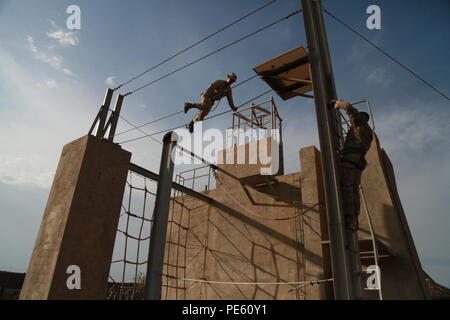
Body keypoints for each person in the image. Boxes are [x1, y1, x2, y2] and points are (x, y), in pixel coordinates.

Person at [332, 99, 373, 231]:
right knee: (355, 189)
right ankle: (355, 215)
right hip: (359, 161)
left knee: (347, 187)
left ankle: (349, 218)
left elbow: (349, 108)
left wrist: (337, 103)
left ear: (361, 118)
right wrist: (345, 149)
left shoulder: (358, 123)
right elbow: (359, 145)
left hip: (351, 160)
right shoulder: (369, 132)